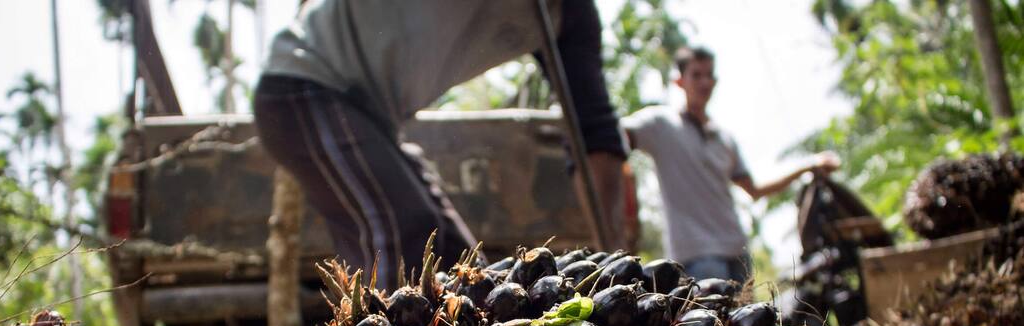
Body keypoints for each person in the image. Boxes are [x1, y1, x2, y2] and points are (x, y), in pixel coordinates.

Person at [254, 0, 628, 291]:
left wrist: (611, 256)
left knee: (463, 264)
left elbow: (593, 133)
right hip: (304, 85)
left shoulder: (568, 15)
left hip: (371, 118)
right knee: (401, 235)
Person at [622, 46, 840, 284]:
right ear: (679, 81)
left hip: (738, 254)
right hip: (697, 258)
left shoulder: (724, 138)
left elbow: (755, 190)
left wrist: (807, 166)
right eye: (696, 75)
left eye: (710, 75)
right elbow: (615, 136)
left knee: (749, 320)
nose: (704, 82)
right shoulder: (660, 124)